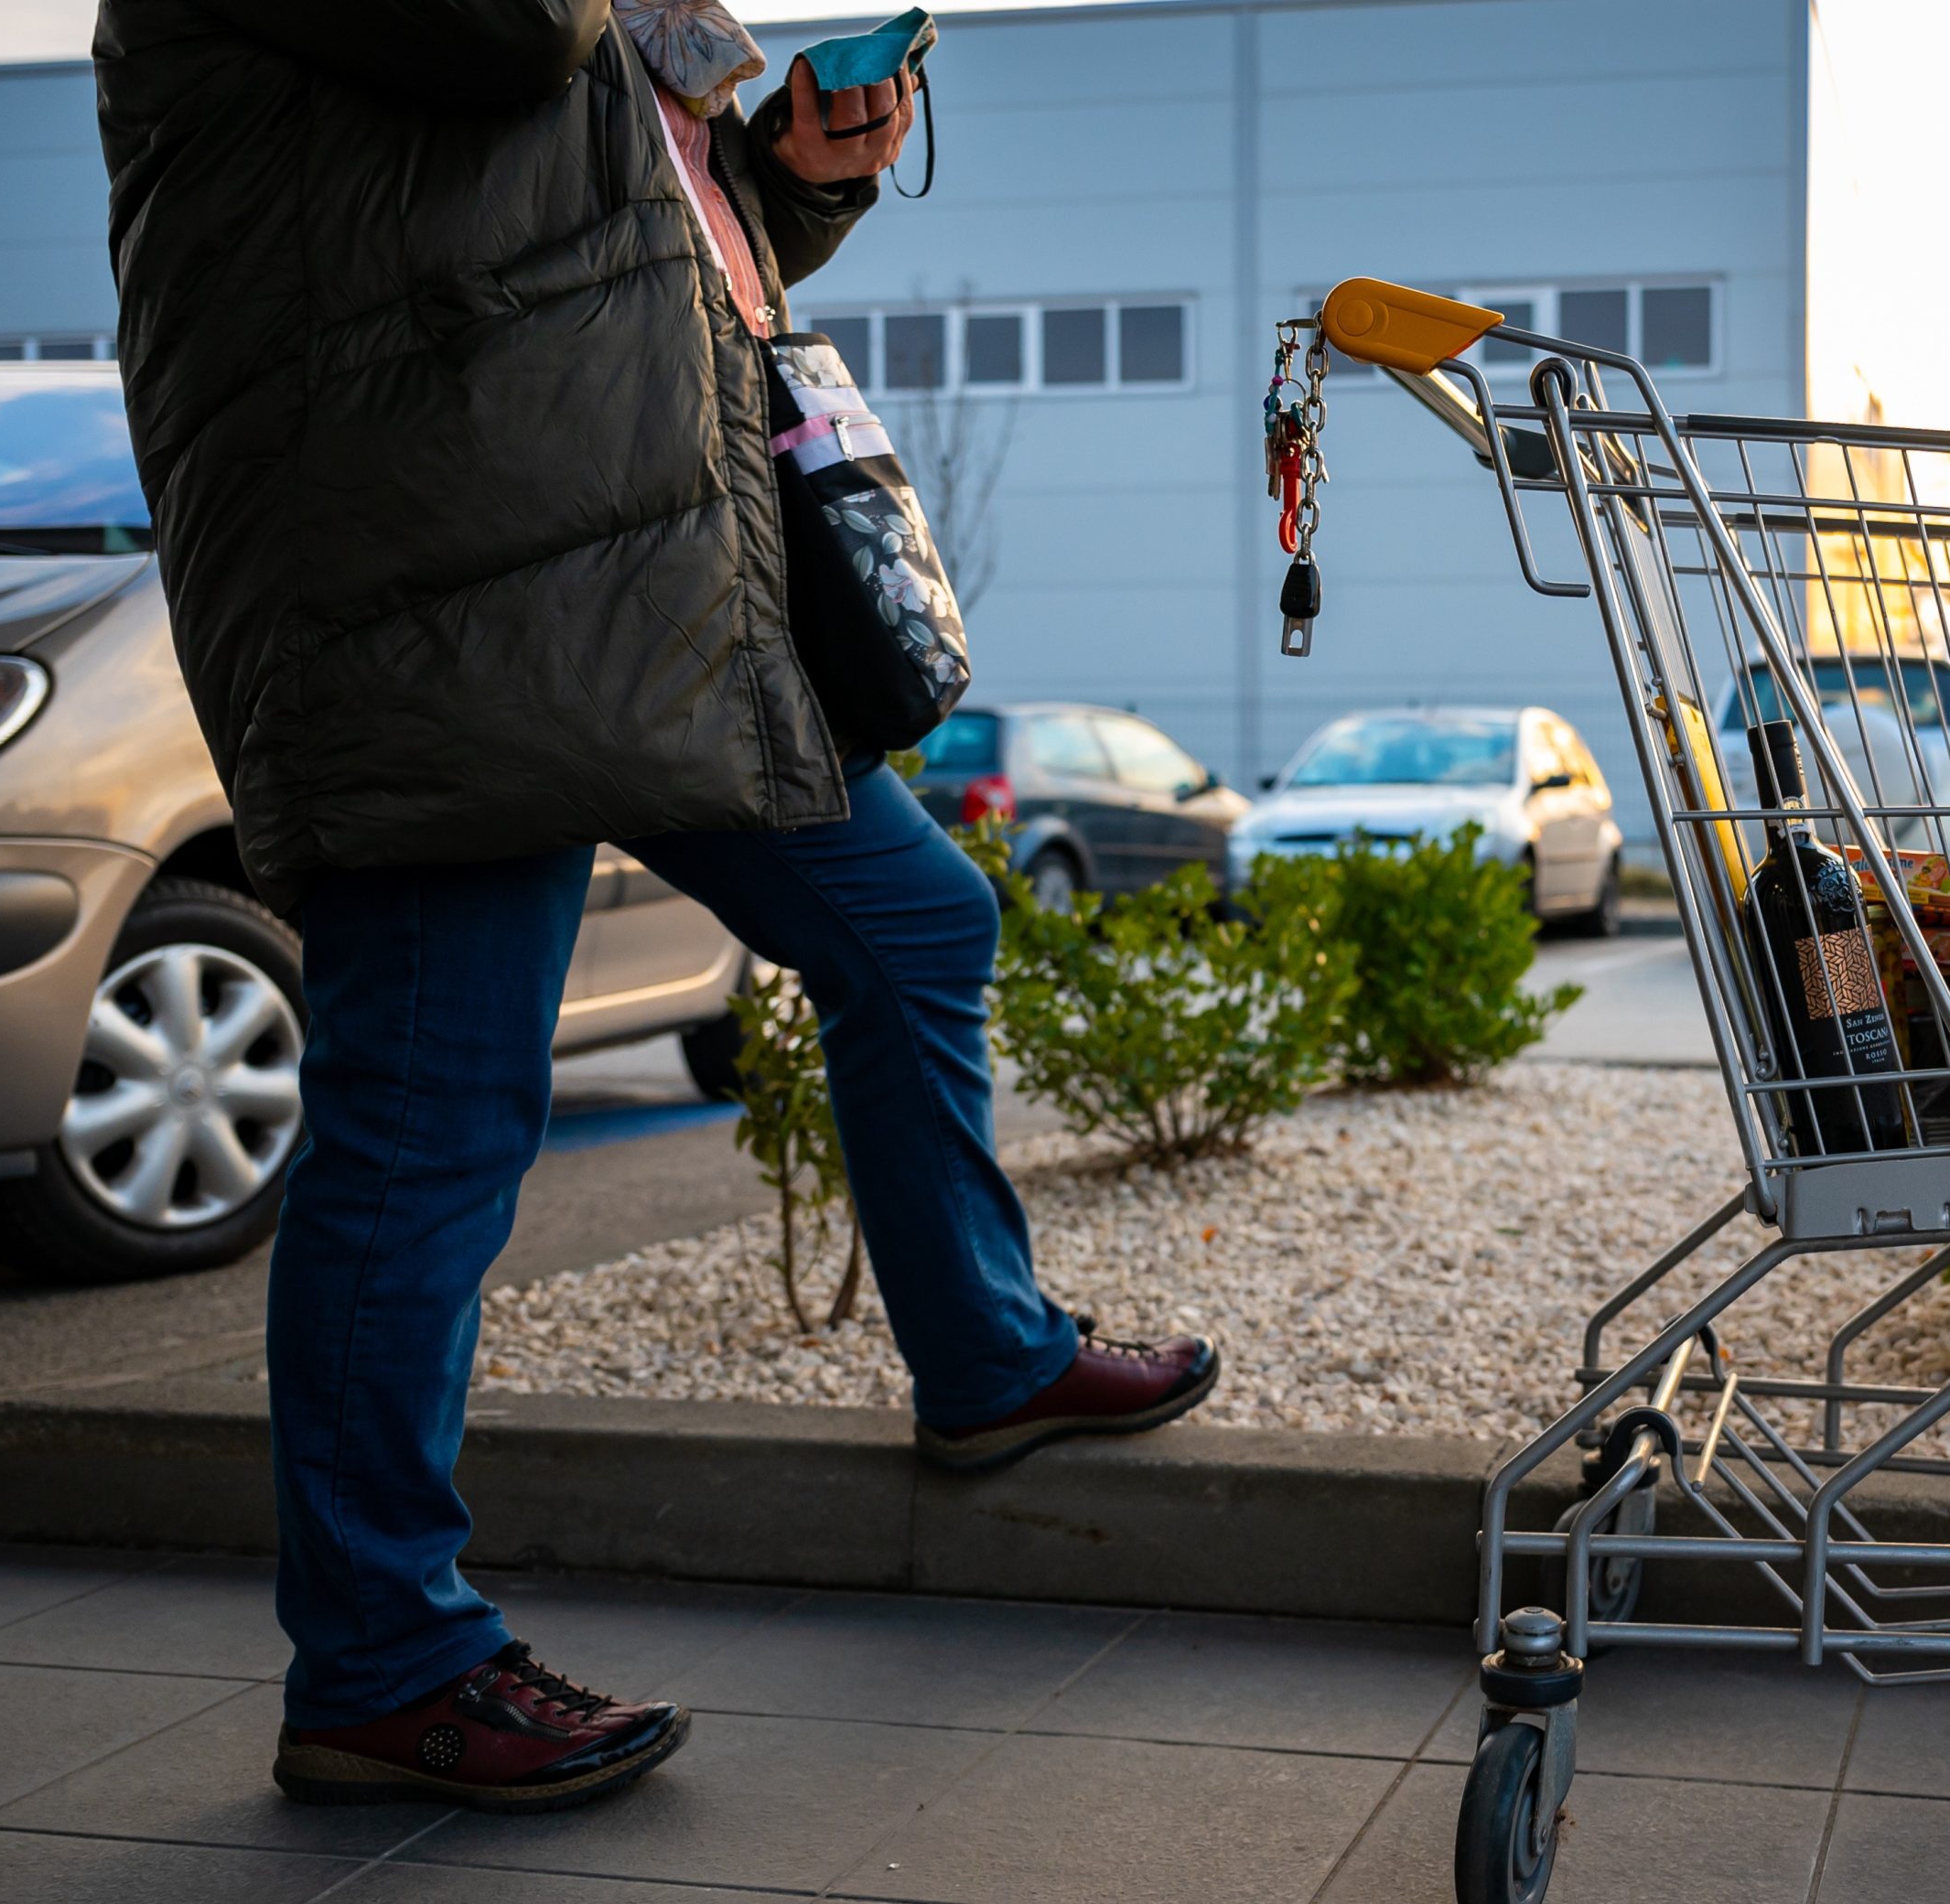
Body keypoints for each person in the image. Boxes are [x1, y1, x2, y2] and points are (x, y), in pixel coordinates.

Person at [93, 0, 1217, 1815]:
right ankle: (383, 1668)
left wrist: (777, 175)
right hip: (435, 581)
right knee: (432, 1115)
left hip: (612, 578)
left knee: (913, 921)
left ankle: (987, 1359)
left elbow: (600, 242)